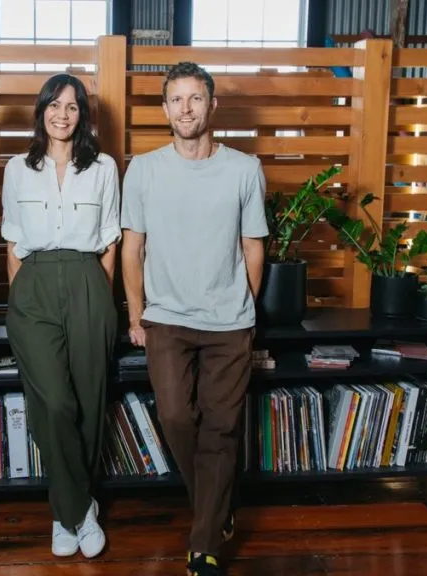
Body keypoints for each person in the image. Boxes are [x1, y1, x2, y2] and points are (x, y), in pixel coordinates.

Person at [120, 61, 268, 576]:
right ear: (165, 109)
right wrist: (136, 315)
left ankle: (204, 540)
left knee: (222, 428)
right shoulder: (143, 169)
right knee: (178, 418)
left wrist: (242, 309)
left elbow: (253, 246)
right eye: (176, 100)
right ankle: (217, 507)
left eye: (195, 99)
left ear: (212, 105)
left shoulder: (245, 169)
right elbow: (132, 248)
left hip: (229, 323)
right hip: (166, 317)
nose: (186, 108)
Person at [0, 73, 120, 559]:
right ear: (41, 110)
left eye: (72, 107)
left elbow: (110, 240)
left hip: (89, 280)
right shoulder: (16, 168)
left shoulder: (105, 167)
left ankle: (68, 513)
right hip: (34, 285)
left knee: (89, 401)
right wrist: (21, 298)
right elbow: (12, 241)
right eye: (54, 104)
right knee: (53, 402)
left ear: (82, 115)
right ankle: (75, 509)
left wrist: (101, 299)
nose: (62, 114)